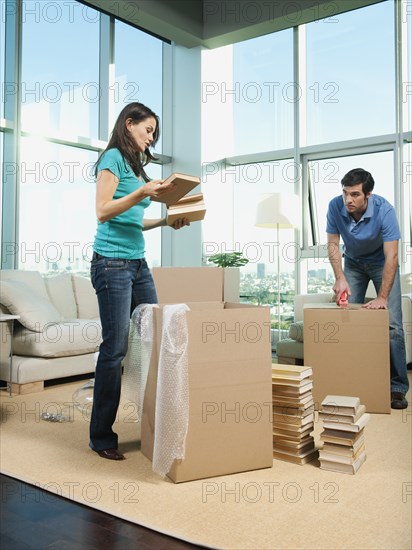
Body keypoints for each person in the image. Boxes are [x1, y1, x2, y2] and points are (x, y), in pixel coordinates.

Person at [90, 102, 189, 460]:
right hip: (111, 264)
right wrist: (143, 192)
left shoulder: (133, 166)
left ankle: (155, 423)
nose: (150, 140)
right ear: (129, 124)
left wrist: (165, 222)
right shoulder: (112, 158)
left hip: (136, 263)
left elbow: (132, 220)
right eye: (148, 131)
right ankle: (101, 435)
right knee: (115, 348)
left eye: (153, 135)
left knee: (154, 335)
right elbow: (103, 211)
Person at [326, 168, 409, 410]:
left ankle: (397, 388)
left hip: (382, 263)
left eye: (354, 195)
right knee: (344, 318)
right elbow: (332, 243)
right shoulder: (335, 206)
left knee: (392, 324)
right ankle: (348, 379)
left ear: (368, 195)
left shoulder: (385, 210)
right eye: (345, 193)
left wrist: (383, 297)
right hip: (352, 262)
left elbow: (392, 255)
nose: (348, 200)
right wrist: (339, 277)